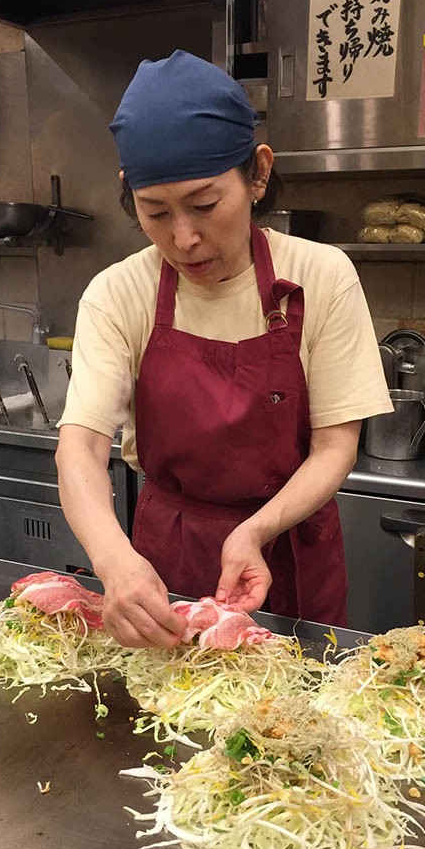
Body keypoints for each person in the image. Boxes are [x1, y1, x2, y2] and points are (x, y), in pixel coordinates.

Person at [56, 50, 392, 648]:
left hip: (287, 546)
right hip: (167, 554)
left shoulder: (322, 274)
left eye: (205, 206)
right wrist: (114, 561)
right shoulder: (117, 294)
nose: (183, 239)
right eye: (155, 212)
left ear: (258, 173)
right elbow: (80, 445)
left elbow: (336, 444)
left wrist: (254, 530)